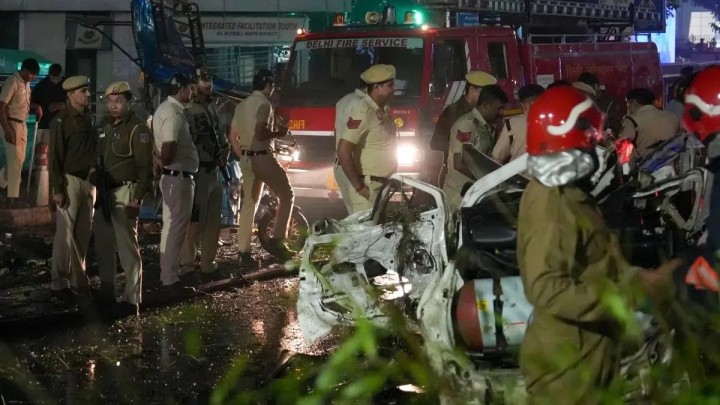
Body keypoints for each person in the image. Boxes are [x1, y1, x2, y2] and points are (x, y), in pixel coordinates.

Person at [517, 85, 680, 403]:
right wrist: (625, 297)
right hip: (569, 372)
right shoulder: (553, 201)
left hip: (586, 357)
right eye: (592, 138)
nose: (598, 144)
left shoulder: (568, 193)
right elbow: (546, 288)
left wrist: (639, 278)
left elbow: (592, 264)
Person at [92, 81, 153, 316]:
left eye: (118, 101)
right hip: (105, 192)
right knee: (103, 243)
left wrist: (137, 199)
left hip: (126, 192)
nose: (113, 105)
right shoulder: (107, 126)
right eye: (110, 101)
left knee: (127, 247)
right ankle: (107, 290)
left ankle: (132, 298)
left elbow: (145, 168)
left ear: (129, 102)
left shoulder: (138, 128)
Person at [229, 69, 294, 270]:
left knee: (248, 205)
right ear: (268, 85)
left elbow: (232, 136)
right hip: (263, 156)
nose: (273, 89)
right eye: (272, 85)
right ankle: (278, 241)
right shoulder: (264, 104)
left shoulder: (241, 105)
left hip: (247, 159)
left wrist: (243, 156)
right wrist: (279, 133)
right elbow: (260, 132)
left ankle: (243, 253)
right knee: (287, 194)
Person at [48, 75, 97, 301]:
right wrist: (57, 188)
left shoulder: (88, 117)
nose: (87, 94)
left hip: (89, 181)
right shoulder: (61, 121)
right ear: (70, 95)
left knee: (82, 234)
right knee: (64, 236)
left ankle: (79, 281)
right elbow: (55, 157)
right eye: (82, 91)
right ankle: (59, 283)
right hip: (70, 181)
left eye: (87, 90)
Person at [179, 66, 228, 281]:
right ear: (193, 84)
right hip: (198, 171)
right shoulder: (187, 109)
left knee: (213, 222)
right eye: (203, 80)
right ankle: (187, 266)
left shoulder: (212, 106)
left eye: (210, 80)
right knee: (195, 221)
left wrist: (225, 150)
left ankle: (208, 265)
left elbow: (220, 134)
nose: (208, 84)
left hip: (215, 170)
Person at [153, 72, 198, 294]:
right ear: (182, 89)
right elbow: (168, 149)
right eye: (190, 88)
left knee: (170, 227)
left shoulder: (165, 109)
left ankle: (168, 277)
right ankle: (170, 280)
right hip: (177, 177)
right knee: (175, 229)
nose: (192, 92)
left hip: (173, 176)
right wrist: (163, 161)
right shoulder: (173, 113)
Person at [336, 64, 398, 214]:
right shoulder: (364, 111)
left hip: (380, 186)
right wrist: (360, 188)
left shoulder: (382, 109)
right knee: (364, 229)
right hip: (368, 187)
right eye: (390, 85)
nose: (394, 89)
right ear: (377, 87)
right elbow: (343, 150)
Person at [442, 84, 507, 212]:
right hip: (459, 197)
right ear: (485, 105)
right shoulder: (466, 125)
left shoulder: (487, 126)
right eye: (498, 108)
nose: (501, 113)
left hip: (475, 195)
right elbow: (459, 163)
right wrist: (487, 178)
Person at [430, 71, 497, 188]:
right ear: (472, 90)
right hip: (457, 178)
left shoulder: (481, 113)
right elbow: (436, 143)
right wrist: (463, 146)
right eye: (484, 93)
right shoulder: (454, 112)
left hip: (476, 176)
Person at [0, 58, 43, 207]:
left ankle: (1, 184)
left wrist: (36, 106)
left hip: (22, 124)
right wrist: (7, 129)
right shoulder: (13, 82)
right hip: (11, 123)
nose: (33, 77)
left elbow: (23, 103)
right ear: (24, 70)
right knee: (15, 162)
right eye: (32, 73)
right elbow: (1, 107)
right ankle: (13, 198)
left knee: (18, 161)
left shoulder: (25, 83)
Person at [618, 87, 679, 159]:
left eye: (627, 105)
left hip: (645, 164)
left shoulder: (632, 120)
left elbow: (623, 151)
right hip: (671, 163)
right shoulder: (672, 117)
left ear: (633, 103)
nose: (627, 110)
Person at [333, 84, 366, 215]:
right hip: (355, 169)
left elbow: (336, 133)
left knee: (353, 216)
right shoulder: (363, 104)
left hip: (340, 167)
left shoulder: (343, 100)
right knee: (364, 218)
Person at [492, 84, 544, 164]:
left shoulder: (512, 123)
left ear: (523, 106)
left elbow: (496, 160)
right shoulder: (556, 122)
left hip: (520, 172)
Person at [31, 63, 65, 146]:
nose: (56, 80)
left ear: (61, 75)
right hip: (44, 123)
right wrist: (47, 107)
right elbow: (33, 103)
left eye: (58, 78)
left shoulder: (66, 85)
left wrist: (65, 106)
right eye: (53, 78)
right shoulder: (41, 86)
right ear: (49, 75)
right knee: (44, 148)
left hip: (62, 123)